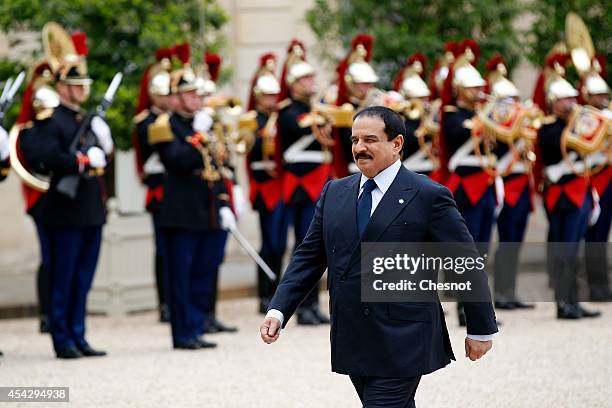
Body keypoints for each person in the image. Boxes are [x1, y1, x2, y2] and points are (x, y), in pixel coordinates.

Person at [260, 106, 497, 408]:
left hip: (405, 335)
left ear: (397, 143)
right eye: (354, 140)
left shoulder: (427, 195)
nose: (360, 148)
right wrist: (279, 310)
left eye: (370, 140)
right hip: (353, 334)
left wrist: (480, 327)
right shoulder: (335, 192)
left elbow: (463, 262)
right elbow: (309, 256)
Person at [30, 26, 112, 358]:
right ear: (62, 87)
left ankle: (78, 334)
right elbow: (46, 156)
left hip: (90, 208)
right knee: (63, 278)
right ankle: (62, 338)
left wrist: (100, 146)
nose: (82, 91)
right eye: (76, 86)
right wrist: (80, 160)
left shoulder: (85, 119)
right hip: (64, 210)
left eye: (83, 86)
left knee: (83, 278)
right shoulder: (52, 119)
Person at [148, 42, 235, 349]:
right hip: (181, 207)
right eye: (189, 94)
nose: (196, 99)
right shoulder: (164, 125)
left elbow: (219, 165)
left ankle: (197, 327)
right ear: (175, 97)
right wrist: (198, 136)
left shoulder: (206, 122)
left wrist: (224, 202)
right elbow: (177, 161)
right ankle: (182, 332)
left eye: (198, 94)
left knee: (203, 269)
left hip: (208, 204)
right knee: (181, 274)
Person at [533, 53, 601, 319]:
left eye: (573, 97)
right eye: (565, 99)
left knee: (575, 247)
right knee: (564, 248)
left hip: (578, 190)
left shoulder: (579, 121)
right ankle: (563, 302)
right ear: (553, 102)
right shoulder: (549, 127)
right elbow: (555, 145)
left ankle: (573, 299)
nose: (572, 102)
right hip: (561, 194)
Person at [439, 39, 498, 326]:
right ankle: (465, 307)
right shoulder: (452, 116)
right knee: (468, 248)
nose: (479, 92)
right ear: (460, 90)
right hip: (465, 187)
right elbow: (459, 137)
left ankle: (477, 304)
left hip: (484, 184)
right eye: (473, 88)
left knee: (483, 246)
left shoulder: (479, 115)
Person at [276, 39, 331, 325]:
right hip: (301, 186)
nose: (312, 81)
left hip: (319, 182)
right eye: (306, 78)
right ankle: (300, 306)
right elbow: (296, 124)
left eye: (312, 76)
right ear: (294, 83)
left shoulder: (315, 109)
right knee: (305, 248)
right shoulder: (289, 111)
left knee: (320, 246)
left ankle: (313, 304)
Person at [484, 54, 535, 310]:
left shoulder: (518, 123)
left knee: (515, 240)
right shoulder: (494, 126)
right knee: (504, 240)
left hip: (523, 184)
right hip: (505, 183)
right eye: (509, 101)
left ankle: (510, 290)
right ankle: (500, 293)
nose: (514, 105)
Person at [246, 53, 289, 314]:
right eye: (268, 95)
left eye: (275, 95)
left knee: (281, 243)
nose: (272, 99)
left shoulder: (279, 117)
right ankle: (264, 293)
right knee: (269, 243)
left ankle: (276, 292)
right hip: (264, 185)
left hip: (280, 184)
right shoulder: (253, 119)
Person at [133, 47, 175, 323]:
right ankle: (164, 303)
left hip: (180, 190)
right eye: (165, 94)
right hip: (161, 190)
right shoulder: (146, 121)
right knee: (164, 250)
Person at [577, 55, 612, 301]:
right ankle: (596, 286)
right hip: (597, 177)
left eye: (603, 94)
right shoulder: (584, 117)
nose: (602, 99)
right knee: (596, 235)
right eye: (597, 95)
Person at [332, 34, 379, 178]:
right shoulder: (346, 109)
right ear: (351, 83)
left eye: (370, 83)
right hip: (355, 172)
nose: (369, 87)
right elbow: (350, 143)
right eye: (364, 83)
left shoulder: (375, 105)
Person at [392, 52, 442, 182]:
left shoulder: (426, 119)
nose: (424, 102)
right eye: (419, 98)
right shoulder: (399, 122)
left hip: (428, 173)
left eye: (424, 98)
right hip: (407, 174)